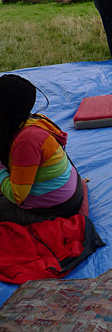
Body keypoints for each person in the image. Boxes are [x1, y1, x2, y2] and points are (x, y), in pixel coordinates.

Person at [0, 75, 84, 224]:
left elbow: (16, 196)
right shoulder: (33, 120)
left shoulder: (26, 141)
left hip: (56, 208)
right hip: (67, 191)